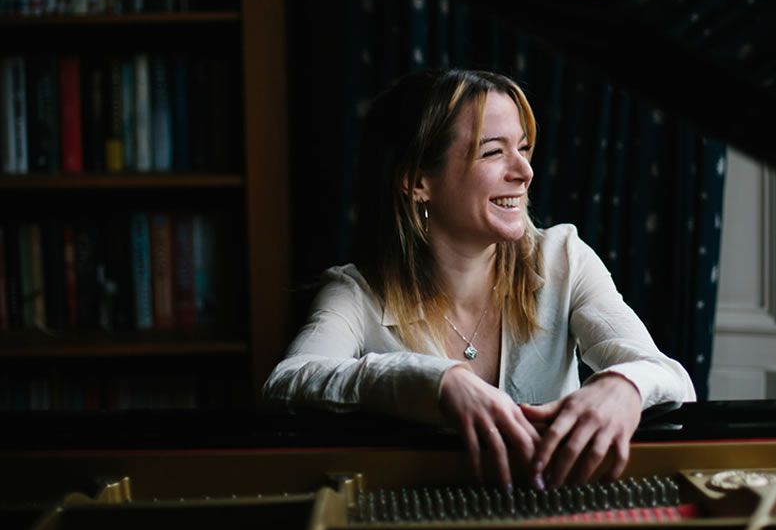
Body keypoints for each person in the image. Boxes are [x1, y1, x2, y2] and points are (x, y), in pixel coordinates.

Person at [263, 69, 695, 490]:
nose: (524, 172)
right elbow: (287, 382)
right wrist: (439, 382)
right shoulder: (356, 293)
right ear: (417, 182)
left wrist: (624, 386)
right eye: (493, 152)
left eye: (523, 149)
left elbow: (669, 377)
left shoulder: (564, 258)